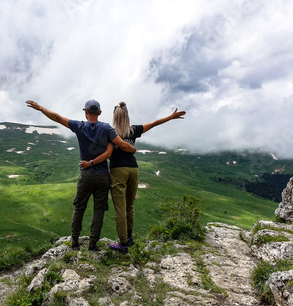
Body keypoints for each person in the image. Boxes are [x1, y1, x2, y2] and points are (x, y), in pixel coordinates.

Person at [25, 99, 136, 251]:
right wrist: (132, 150)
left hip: (86, 175)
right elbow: (121, 145)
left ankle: (75, 241)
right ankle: (93, 244)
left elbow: (57, 118)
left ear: (85, 112)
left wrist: (40, 108)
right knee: (99, 210)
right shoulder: (107, 128)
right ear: (100, 113)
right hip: (103, 175)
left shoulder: (79, 126)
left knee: (79, 208)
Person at [107, 102, 186, 253]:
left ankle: (122, 244)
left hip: (118, 171)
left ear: (114, 117)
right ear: (127, 116)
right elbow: (155, 123)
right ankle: (129, 238)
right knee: (130, 206)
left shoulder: (110, 132)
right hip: (134, 170)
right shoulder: (134, 130)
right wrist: (170, 117)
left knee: (120, 210)